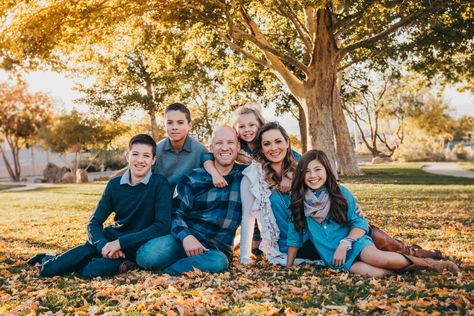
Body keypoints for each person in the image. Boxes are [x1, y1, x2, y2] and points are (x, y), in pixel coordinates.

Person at [240, 122, 443, 266]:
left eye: (278, 141)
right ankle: (407, 257)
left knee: (360, 231)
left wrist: (351, 205)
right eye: (267, 144)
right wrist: (245, 253)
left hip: (321, 229)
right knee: (363, 257)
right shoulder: (258, 176)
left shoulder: (301, 166)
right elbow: (249, 216)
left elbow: (328, 184)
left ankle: (410, 252)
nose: (273, 148)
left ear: (287, 142)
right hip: (294, 241)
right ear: (262, 148)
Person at [287, 149, 459, 276]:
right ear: (301, 175)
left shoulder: (340, 193)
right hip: (334, 256)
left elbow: (360, 223)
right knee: (378, 273)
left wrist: (345, 243)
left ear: (326, 170)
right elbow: (294, 237)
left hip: (354, 242)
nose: (312, 175)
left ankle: (433, 265)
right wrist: (289, 267)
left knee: (377, 258)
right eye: (307, 171)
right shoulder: (298, 202)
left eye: (317, 169)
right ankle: (408, 267)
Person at [27, 134, 172, 278]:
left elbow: (162, 225)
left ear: (153, 160)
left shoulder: (160, 184)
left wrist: (120, 243)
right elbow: (94, 222)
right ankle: (50, 258)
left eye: (146, 156)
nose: (140, 160)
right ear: (127, 156)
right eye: (135, 154)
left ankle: (116, 263)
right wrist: (102, 245)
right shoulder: (114, 185)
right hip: (107, 241)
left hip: (131, 247)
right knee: (48, 270)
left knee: (90, 271)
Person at [136, 125, 245, 274]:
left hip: (214, 248)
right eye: (219, 143)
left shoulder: (245, 178)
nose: (224, 148)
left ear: (238, 147)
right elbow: (176, 212)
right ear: (210, 148)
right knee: (146, 257)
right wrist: (186, 237)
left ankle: (169, 270)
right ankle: (183, 263)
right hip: (184, 239)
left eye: (230, 143)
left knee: (219, 262)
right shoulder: (193, 177)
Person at [154, 102, 223, 189]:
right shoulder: (155, 150)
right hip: (160, 198)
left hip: (188, 199)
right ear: (165, 125)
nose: (174, 127)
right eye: (170, 122)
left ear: (189, 125)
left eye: (180, 123)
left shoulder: (200, 150)